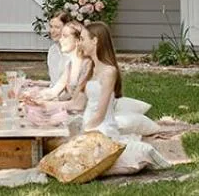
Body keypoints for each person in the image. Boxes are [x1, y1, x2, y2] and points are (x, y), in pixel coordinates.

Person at [80, 21, 168, 174]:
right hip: (88, 124)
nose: (80, 43)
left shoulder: (109, 72)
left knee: (85, 162)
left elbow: (100, 115)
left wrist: (84, 131)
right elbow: (76, 103)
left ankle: (139, 153)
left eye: (82, 39)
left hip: (101, 128)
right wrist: (44, 105)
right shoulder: (90, 67)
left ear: (95, 41)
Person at [44, 12, 69, 84]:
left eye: (57, 27)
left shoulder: (75, 52)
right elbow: (55, 82)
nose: (52, 31)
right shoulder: (52, 50)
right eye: (51, 27)